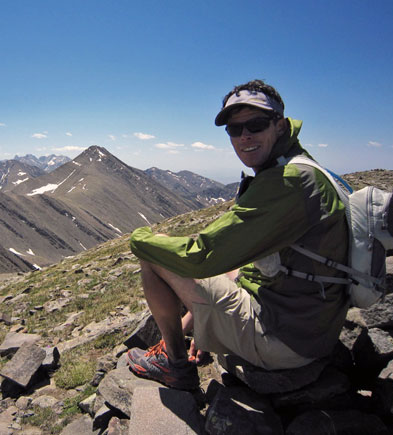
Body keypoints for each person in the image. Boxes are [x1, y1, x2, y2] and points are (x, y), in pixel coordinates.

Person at [126, 79, 350, 391]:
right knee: (234, 266)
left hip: (283, 342)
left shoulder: (287, 183)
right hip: (307, 326)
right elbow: (246, 265)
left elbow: (202, 256)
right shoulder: (298, 167)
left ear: (280, 126)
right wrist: (195, 325)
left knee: (154, 254)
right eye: (234, 130)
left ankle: (174, 362)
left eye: (256, 125)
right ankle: (192, 334)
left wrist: (139, 240)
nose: (245, 136)